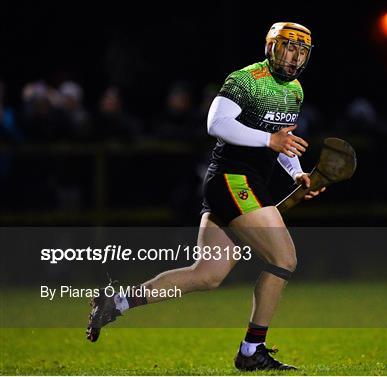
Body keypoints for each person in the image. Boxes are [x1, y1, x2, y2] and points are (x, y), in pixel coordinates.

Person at [86, 22, 325, 371]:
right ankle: (250, 351)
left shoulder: (296, 90)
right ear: (271, 46)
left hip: (243, 184)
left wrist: (297, 172)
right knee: (284, 259)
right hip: (232, 179)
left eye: (301, 51)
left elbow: (282, 140)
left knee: (206, 274)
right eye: (288, 47)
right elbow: (216, 123)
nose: (294, 57)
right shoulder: (246, 80)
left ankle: (116, 303)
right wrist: (268, 141)